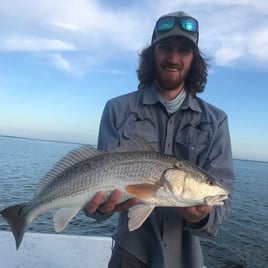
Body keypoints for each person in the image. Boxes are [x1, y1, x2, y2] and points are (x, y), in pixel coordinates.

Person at [84, 10, 235, 268]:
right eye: (165, 47)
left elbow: (223, 199)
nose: (173, 58)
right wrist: (99, 208)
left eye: (184, 50)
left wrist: (200, 218)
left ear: (194, 60)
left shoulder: (216, 120)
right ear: (151, 55)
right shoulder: (116, 109)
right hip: (128, 252)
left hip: (185, 257)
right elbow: (100, 179)